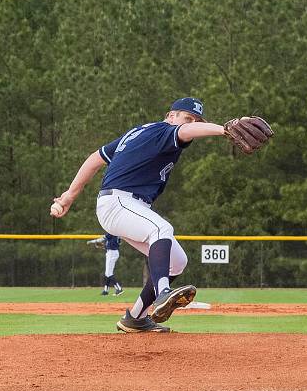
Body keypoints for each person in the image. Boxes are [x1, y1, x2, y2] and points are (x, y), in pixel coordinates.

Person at [51, 97, 229, 333]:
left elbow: (95, 159)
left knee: (177, 262)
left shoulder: (138, 133)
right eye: (187, 118)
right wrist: (224, 129)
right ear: (171, 115)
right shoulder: (165, 131)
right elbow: (186, 130)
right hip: (119, 202)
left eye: (195, 120)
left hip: (127, 205)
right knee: (161, 229)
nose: (191, 124)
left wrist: (68, 196)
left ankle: (135, 317)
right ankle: (162, 293)